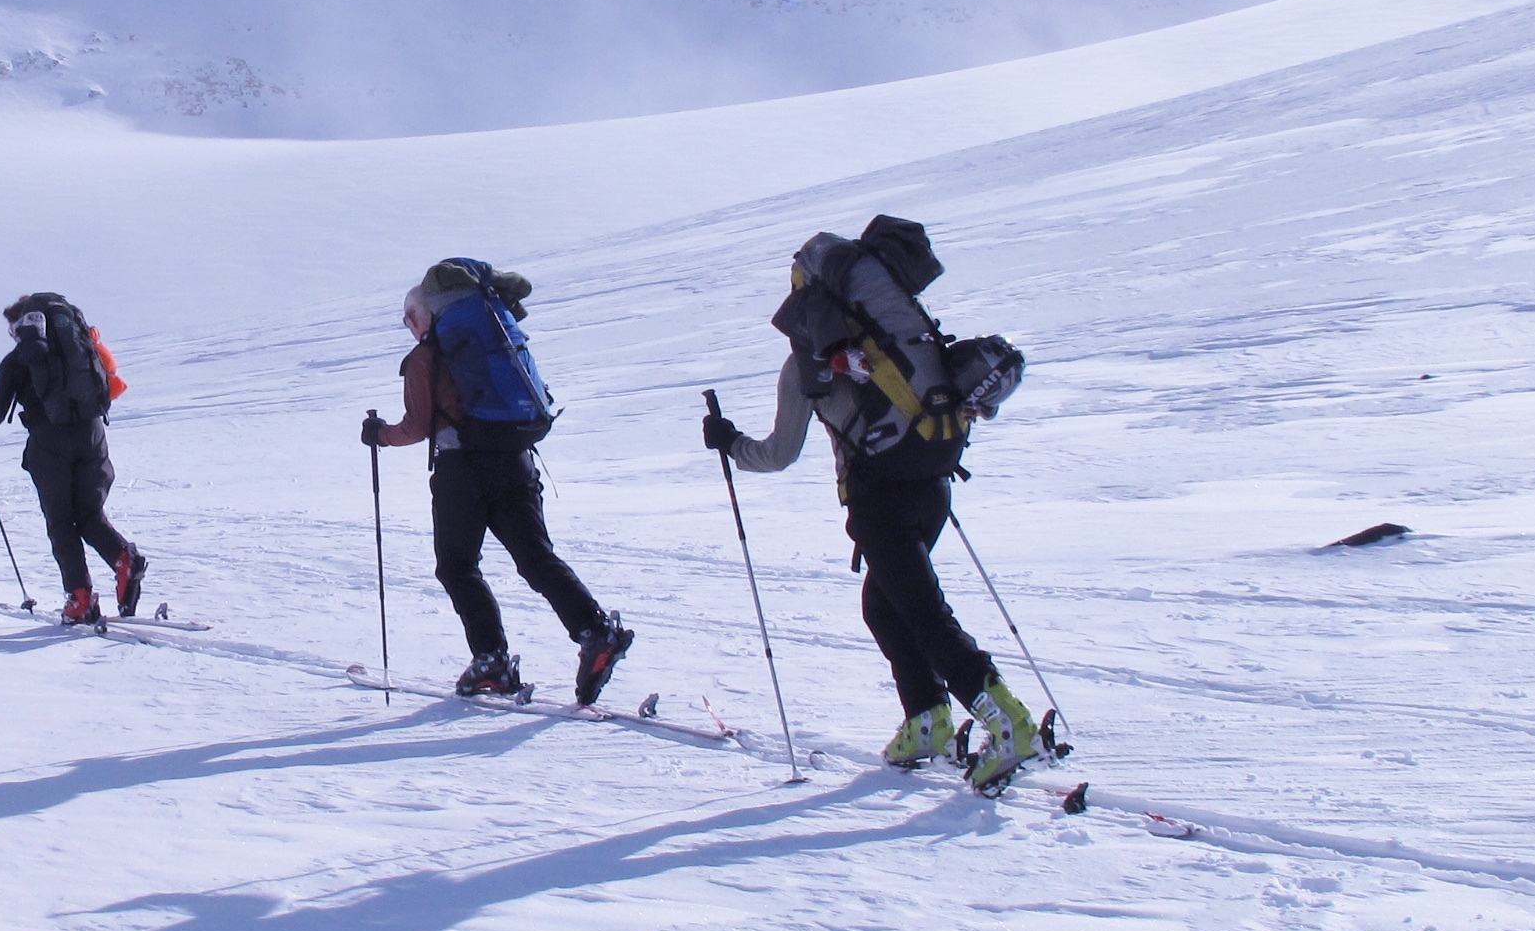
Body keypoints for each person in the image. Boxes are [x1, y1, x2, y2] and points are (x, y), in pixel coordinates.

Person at [702, 218, 1036, 785]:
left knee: (925, 616)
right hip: (932, 482)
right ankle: (927, 717)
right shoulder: (906, 332)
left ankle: (1008, 722)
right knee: (885, 607)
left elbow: (780, 454)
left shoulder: (810, 360)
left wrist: (729, 442)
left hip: (881, 495)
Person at [363, 259, 633, 704]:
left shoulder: (427, 357)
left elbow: (416, 426)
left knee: (457, 566)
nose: (410, 327)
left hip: (462, 471)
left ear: (422, 316)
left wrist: (379, 435)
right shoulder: (495, 341)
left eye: (409, 319)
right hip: (516, 458)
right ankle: (596, 631)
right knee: (536, 558)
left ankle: (491, 660)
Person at [0, 293, 143, 625]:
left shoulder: (20, 360)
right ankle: (123, 559)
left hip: (49, 445)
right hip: (93, 438)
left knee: (61, 522)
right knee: (90, 515)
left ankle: (80, 599)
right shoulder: (82, 349)